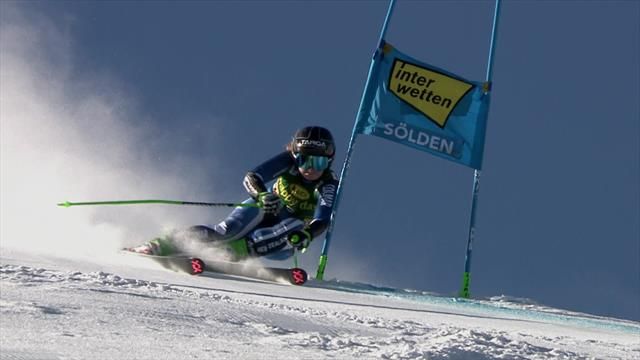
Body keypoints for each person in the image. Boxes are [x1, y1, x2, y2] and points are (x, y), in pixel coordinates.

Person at [129, 126, 339, 261]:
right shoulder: (287, 162)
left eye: (319, 162)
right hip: (268, 209)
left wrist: (307, 234)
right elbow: (252, 177)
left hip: (284, 238)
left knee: (294, 224)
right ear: (295, 156)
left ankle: (230, 252)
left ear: (329, 161)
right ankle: (161, 244)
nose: (311, 168)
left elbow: (322, 218)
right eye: (304, 160)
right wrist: (262, 195)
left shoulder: (327, 184)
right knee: (225, 231)